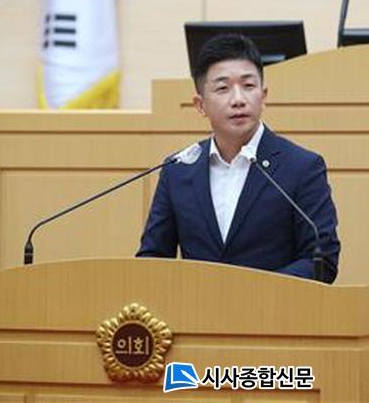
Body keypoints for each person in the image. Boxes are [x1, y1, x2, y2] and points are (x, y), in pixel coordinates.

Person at [137, 34, 340, 283]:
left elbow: (321, 261)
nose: (238, 100)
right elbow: (153, 259)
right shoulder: (177, 170)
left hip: (274, 306)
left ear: (263, 96)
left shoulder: (302, 167)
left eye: (248, 86)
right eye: (222, 88)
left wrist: (253, 292)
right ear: (200, 105)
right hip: (197, 306)